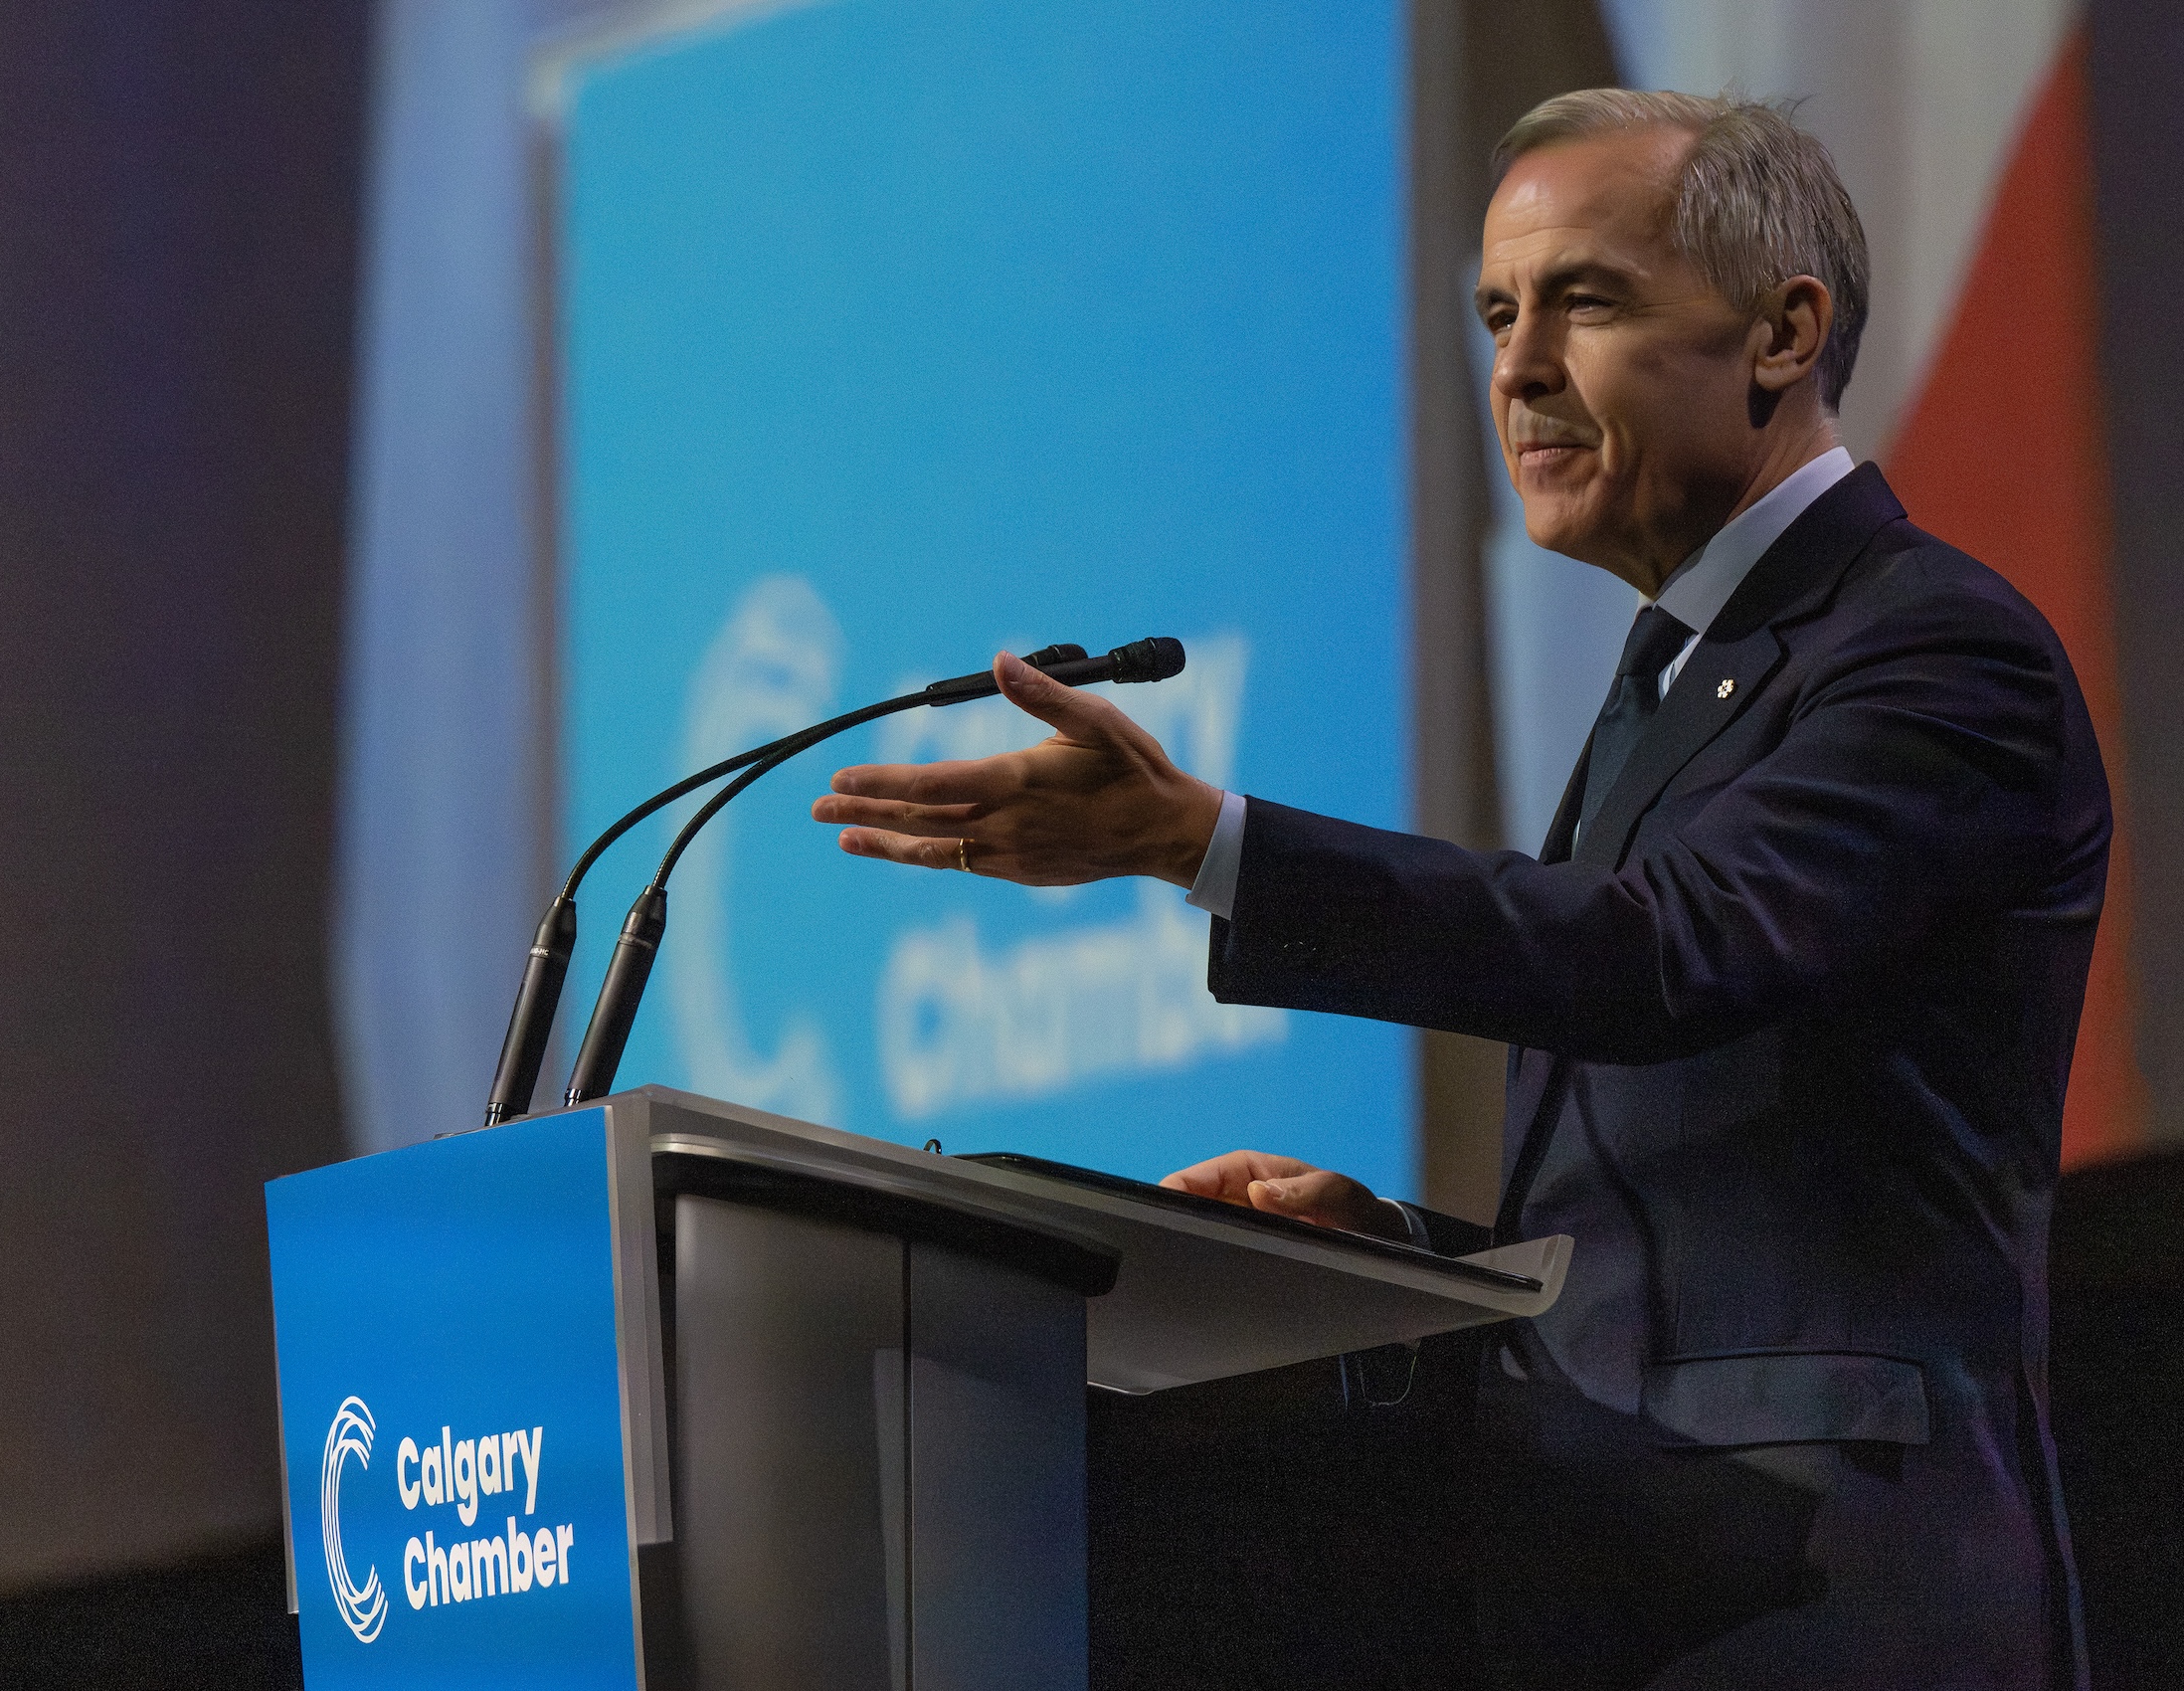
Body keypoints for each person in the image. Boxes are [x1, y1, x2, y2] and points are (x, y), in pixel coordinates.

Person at [815, 90, 2102, 1691]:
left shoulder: (1927, 649)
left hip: (1830, 1593)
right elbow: (1677, 1191)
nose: (1515, 371)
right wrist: (1395, 1257)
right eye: (1497, 313)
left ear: (1783, 331)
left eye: (1585, 300)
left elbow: (1659, 956)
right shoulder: (1672, 679)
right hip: (1630, 1584)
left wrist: (1205, 843)